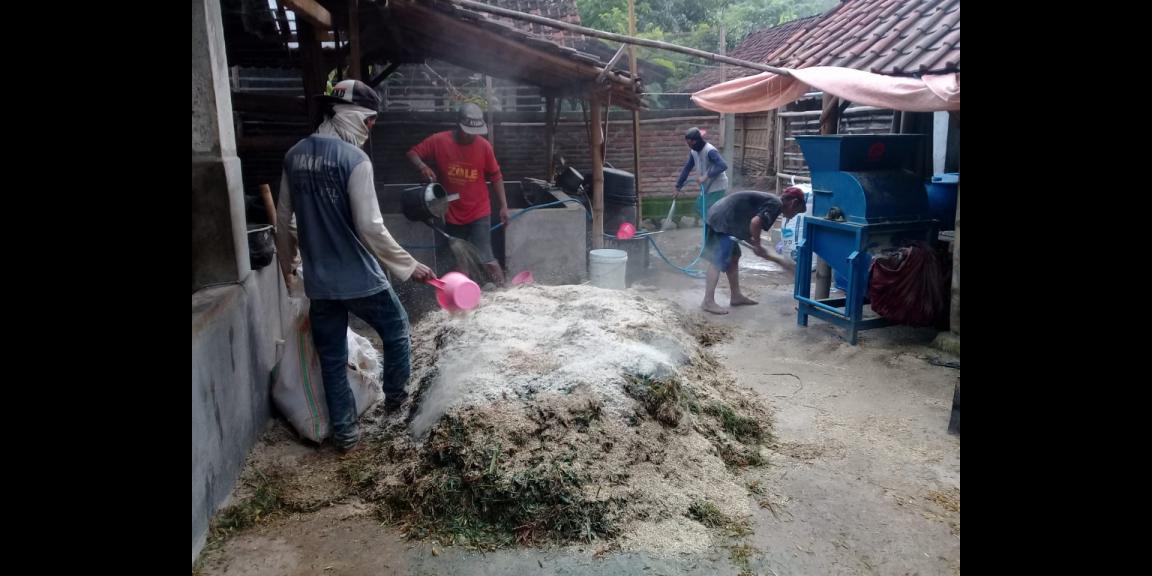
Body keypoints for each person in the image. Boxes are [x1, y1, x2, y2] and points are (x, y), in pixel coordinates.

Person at [275, 79, 435, 452]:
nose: (369, 130)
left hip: (320, 281)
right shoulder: (355, 161)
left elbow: (284, 220)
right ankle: (396, 407)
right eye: (369, 122)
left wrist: (290, 266)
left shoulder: (294, 154)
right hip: (361, 278)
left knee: (331, 355)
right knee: (396, 330)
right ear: (351, 115)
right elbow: (370, 226)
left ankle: (345, 434)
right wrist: (409, 265)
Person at [407, 103, 509, 286]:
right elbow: (412, 153)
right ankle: (464, 297)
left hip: (480, 210)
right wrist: (423, 166)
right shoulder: (439, 141)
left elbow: (496, 176)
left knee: (486, 257)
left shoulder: (484, 147)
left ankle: (505, 292)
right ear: (458, 125)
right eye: (467, 131)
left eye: (474, 131)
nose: (470, 135)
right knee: (461, 261)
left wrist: (503, 206)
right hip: (453, 213)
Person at [701, 188, 807, 315]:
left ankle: (736, 296)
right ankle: (707, 301)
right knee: (718, 259)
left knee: (734, 256)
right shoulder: (776, 204)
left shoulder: (773, 202)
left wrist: (757, 245)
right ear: (794, 203)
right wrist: (757, 244)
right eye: (797, 211)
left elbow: (750, 226)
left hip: (729, 219)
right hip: (722, 219)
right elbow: (755, 223)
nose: (794, 215)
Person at [675, 127, 729, 217]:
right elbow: (687, 168)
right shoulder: (694, 152)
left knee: (706, 209)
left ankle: (715, 229)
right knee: (701, 208)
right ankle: (712, 228)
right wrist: (678, 187)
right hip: (707, 187)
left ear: (697, 140)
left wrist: (706, 176)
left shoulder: (710, 150)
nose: (690, 146)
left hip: (717, 186)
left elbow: (723, 165)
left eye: (691, 144)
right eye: (688, 144)